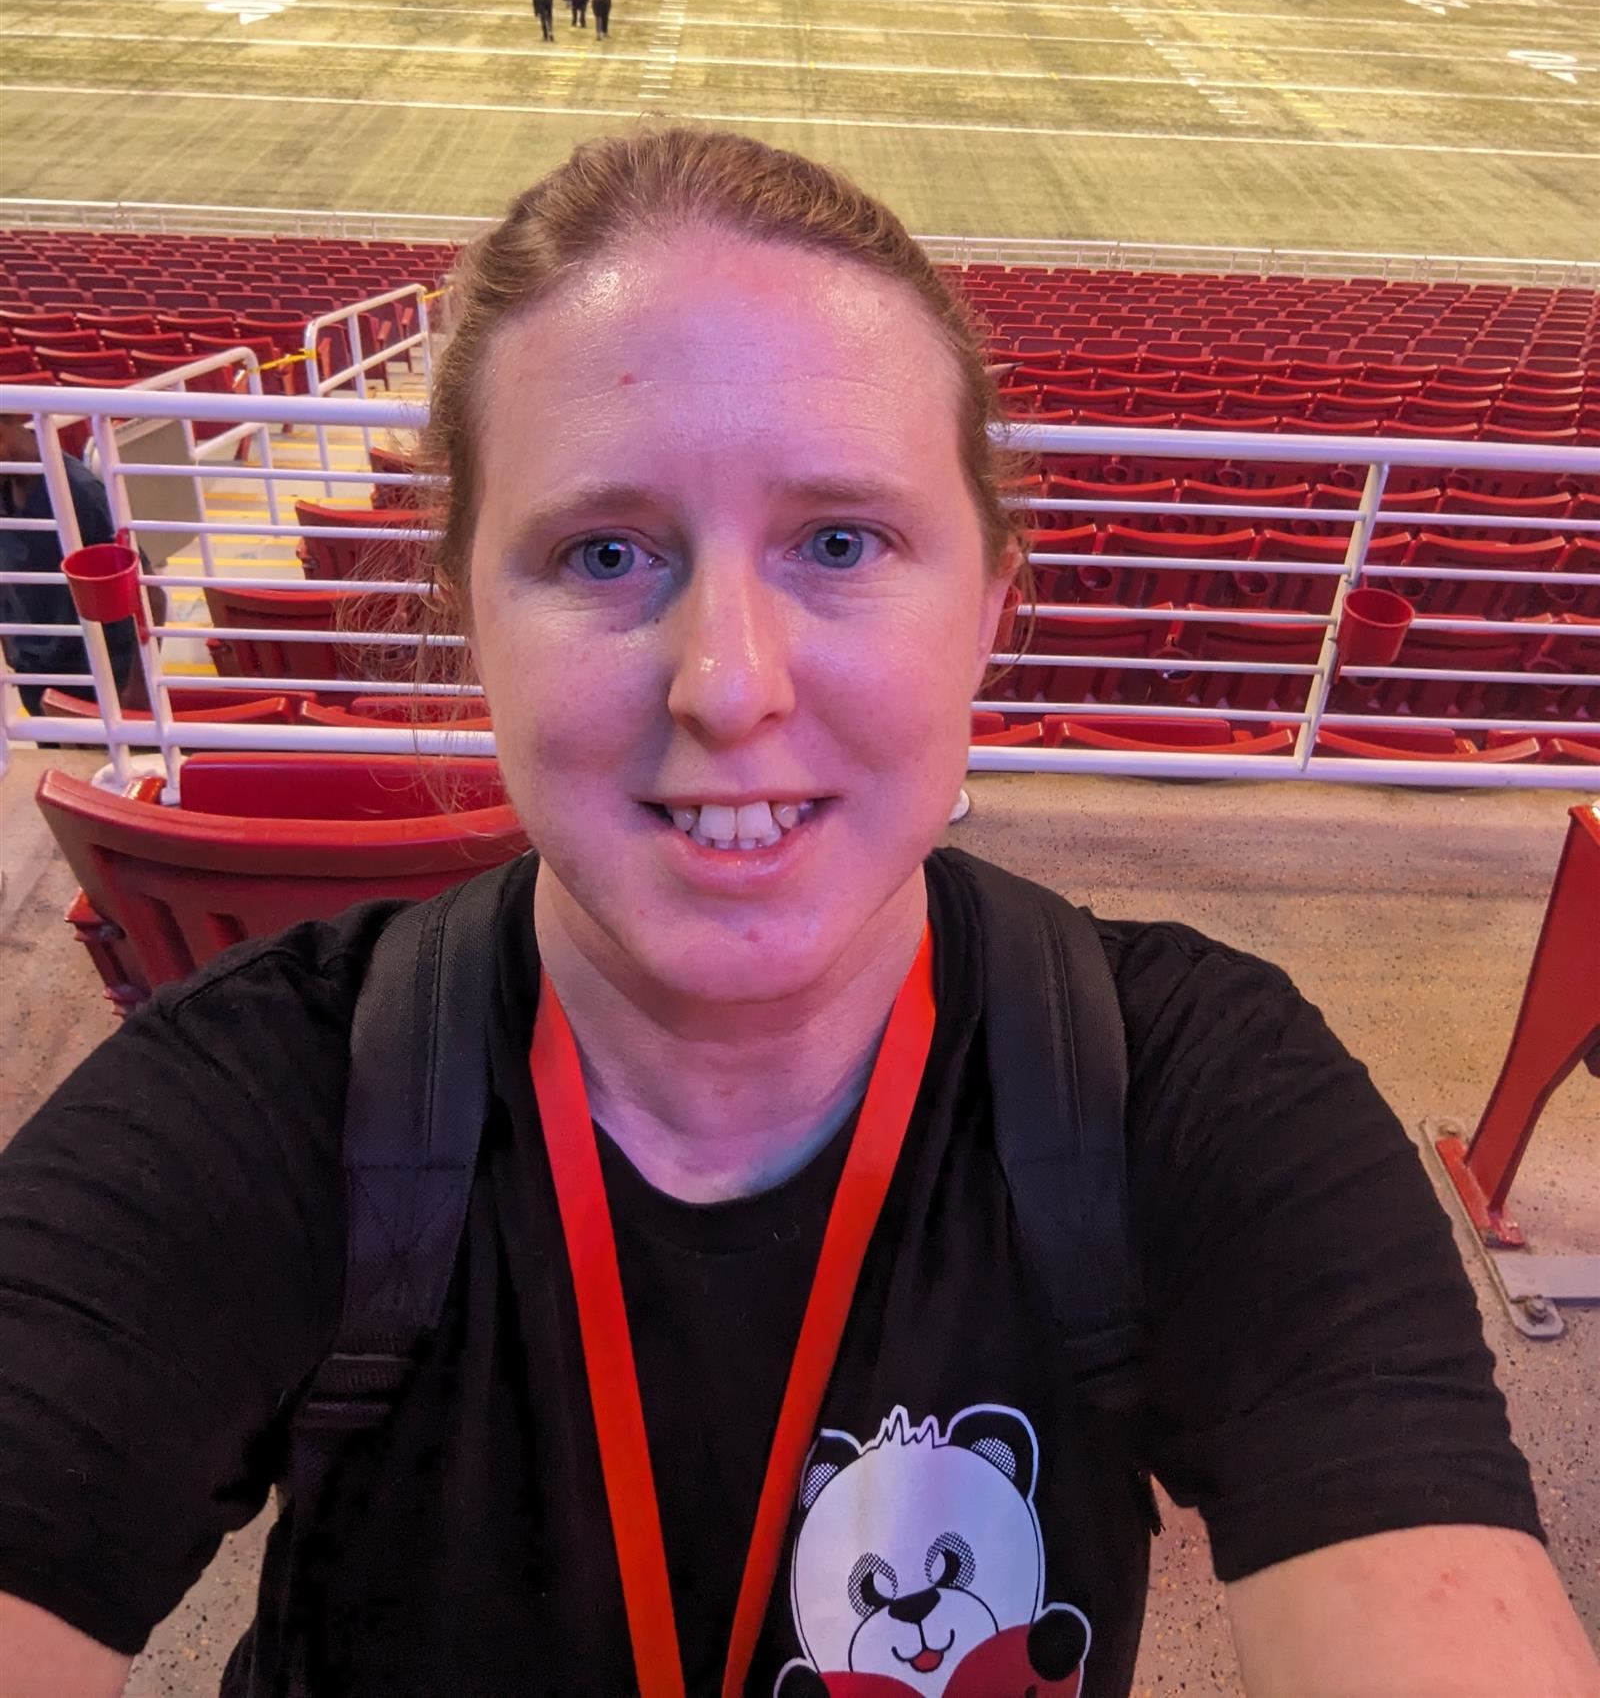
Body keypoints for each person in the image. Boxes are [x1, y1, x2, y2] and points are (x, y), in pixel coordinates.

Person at [2, 127, 1595, 1698]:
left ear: (991, 608)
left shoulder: (1204, 1097)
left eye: (840, 541)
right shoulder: (250, 1109)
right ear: (465, 616)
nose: (728, 683)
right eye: (604, 552)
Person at [0, 412, 145, 714]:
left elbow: (148, 595)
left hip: (95, 677)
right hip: (34, 672)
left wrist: (137, 693)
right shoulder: (7, 483)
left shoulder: (78, 493)